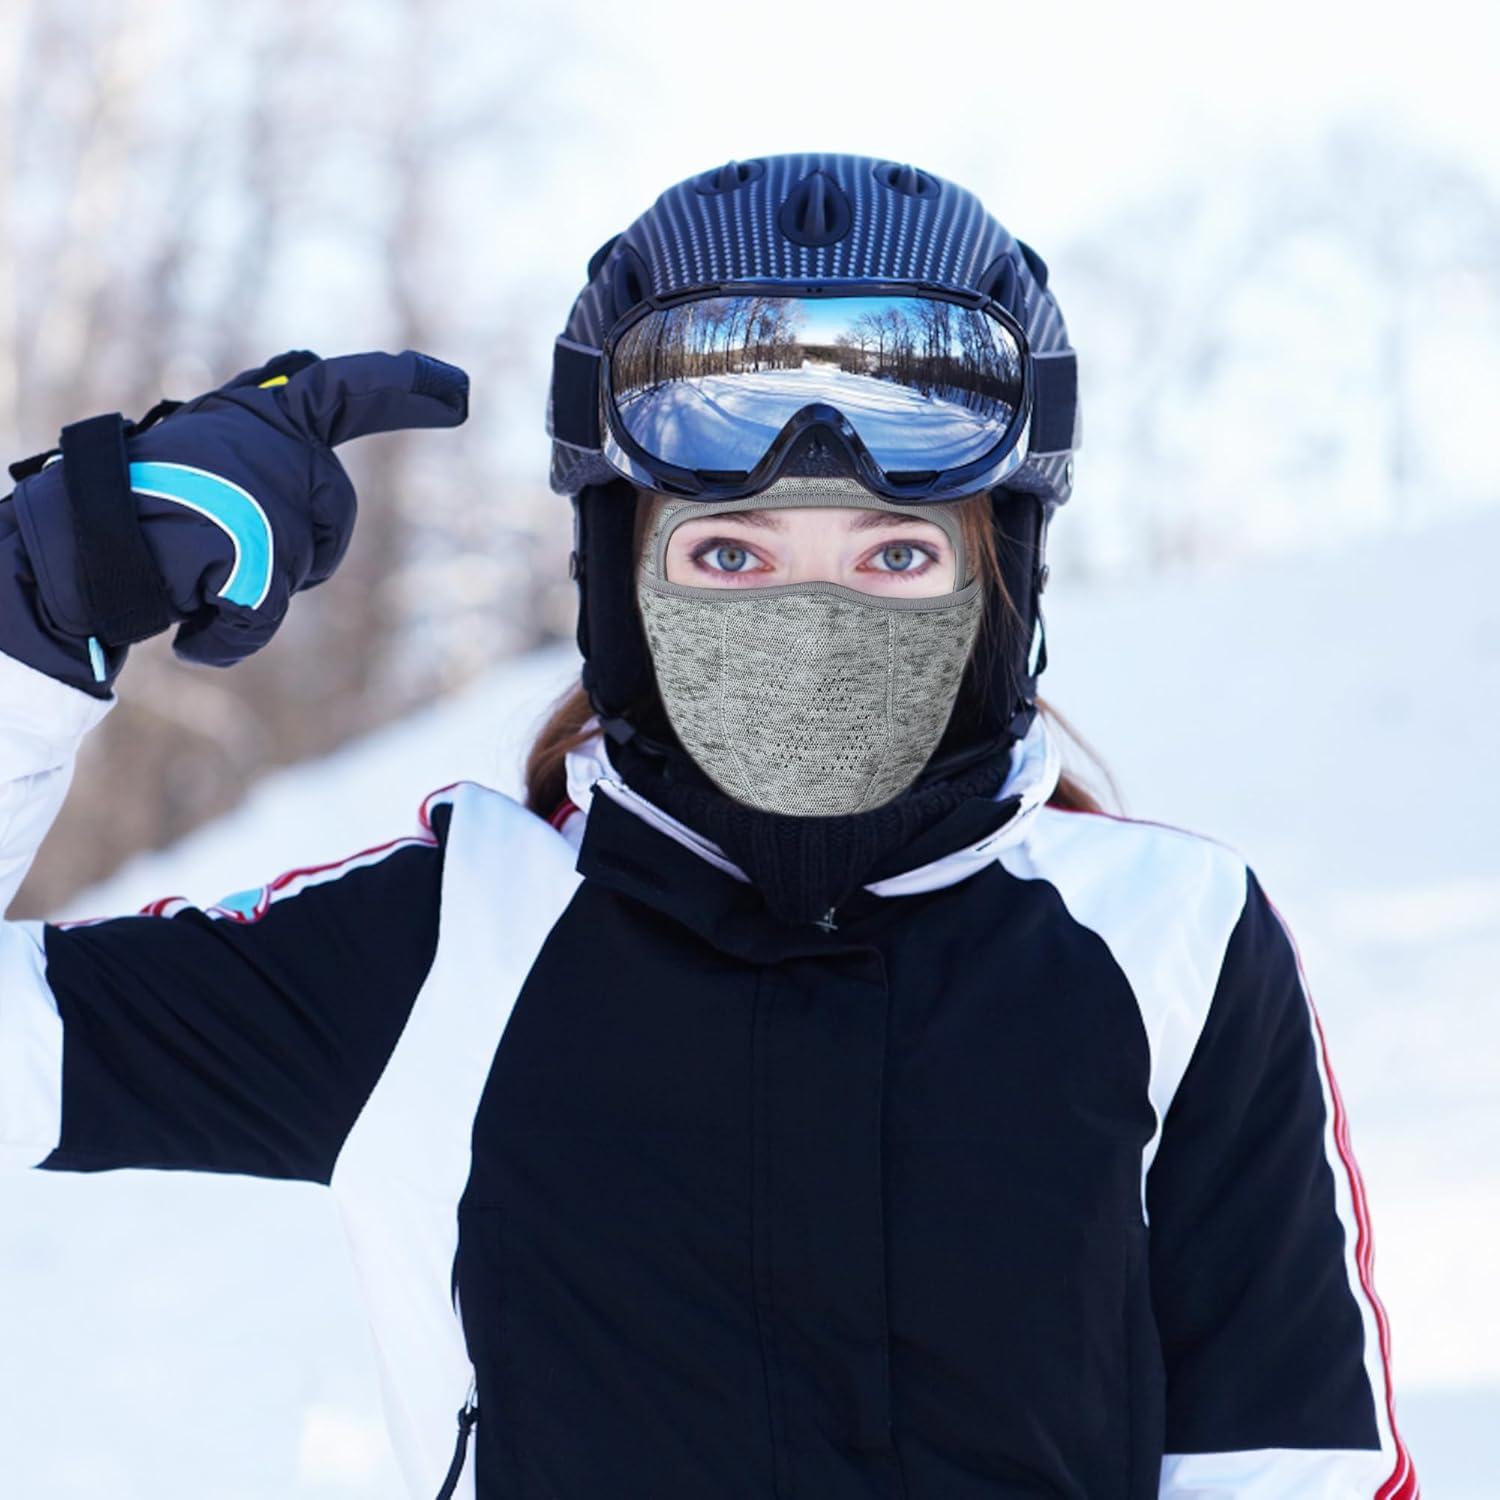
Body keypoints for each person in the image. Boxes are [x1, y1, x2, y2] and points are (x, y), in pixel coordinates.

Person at [0, 153, 1418, 1500]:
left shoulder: (1167, 943)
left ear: (1001, 590)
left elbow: (1287, 1457)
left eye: (898, 554)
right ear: (622, 579)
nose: (815, 622)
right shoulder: (461, 949)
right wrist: (40, 613)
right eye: (730, 553)